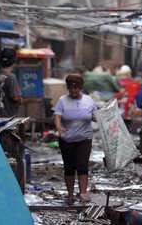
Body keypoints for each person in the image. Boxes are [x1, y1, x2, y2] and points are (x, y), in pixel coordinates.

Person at [53, 74, 97, 205]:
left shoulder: (88, 100)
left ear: (80, 88)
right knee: (69, 167)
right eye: (70, 88)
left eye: (76, 88)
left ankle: (83, 193)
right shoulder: (62, 100)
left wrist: (106, 117)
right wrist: (58, 126)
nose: (73, 91)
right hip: (67, 140)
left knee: (83, 166)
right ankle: (70, 195)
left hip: (84, 138)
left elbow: (95, 116)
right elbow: (57, 115)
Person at [0, 48, 22, 117]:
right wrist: (20, 99)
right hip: (9, 119)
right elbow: (15, 97)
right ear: (14, 61)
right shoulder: (11, 77)